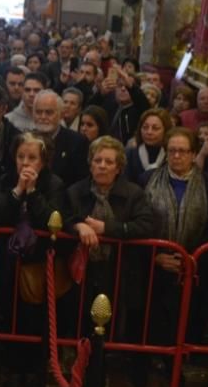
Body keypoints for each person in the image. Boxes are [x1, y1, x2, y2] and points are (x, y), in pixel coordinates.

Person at [0, 132, 69, 387]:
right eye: (21, 156)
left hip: (39, 262)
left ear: (43, 161)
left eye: (32, 157)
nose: (25, 163)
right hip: (9, 261)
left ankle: (36, 370)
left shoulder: (54, 184)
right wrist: (17, 191)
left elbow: (51, 220)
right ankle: (12, 367)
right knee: (8, 313)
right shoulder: (5, 180)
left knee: (36, 317)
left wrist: (32, 193)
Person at [140, 127, 208, 382]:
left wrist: (192, 259)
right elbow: (140, 222)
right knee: (150, 317)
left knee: (183, 319)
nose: (176, 156)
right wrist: (156, 256)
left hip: (193, 265)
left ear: (194, 153)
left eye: (183, 151)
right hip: (154, 263)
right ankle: (143, 362)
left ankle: (173, 365)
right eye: (172, 151)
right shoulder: (148, 179)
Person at [65, 136, 154, 345]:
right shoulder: (75, 191)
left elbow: (146, 225)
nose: (102, 166)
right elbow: (63, 216)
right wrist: (79, 226)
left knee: (111, 324)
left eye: (108, 162)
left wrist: (107, 228)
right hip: (83, 269)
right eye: (97, 161)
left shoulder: (134, 194)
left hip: (118, 269)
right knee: (81, 319)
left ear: (119, 167)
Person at [32, 89, 89, 186]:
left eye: (49, 112)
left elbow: (80, 183)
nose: (43, 116)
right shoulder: (26, 140)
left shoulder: (77, 142)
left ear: (61, 114)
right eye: (38, 112)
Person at [125, 108, 172, 187]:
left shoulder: (171, 155)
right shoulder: (130, 154)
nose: (149, 132)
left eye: (155, 128)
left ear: (166, 130)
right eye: (145, 127)